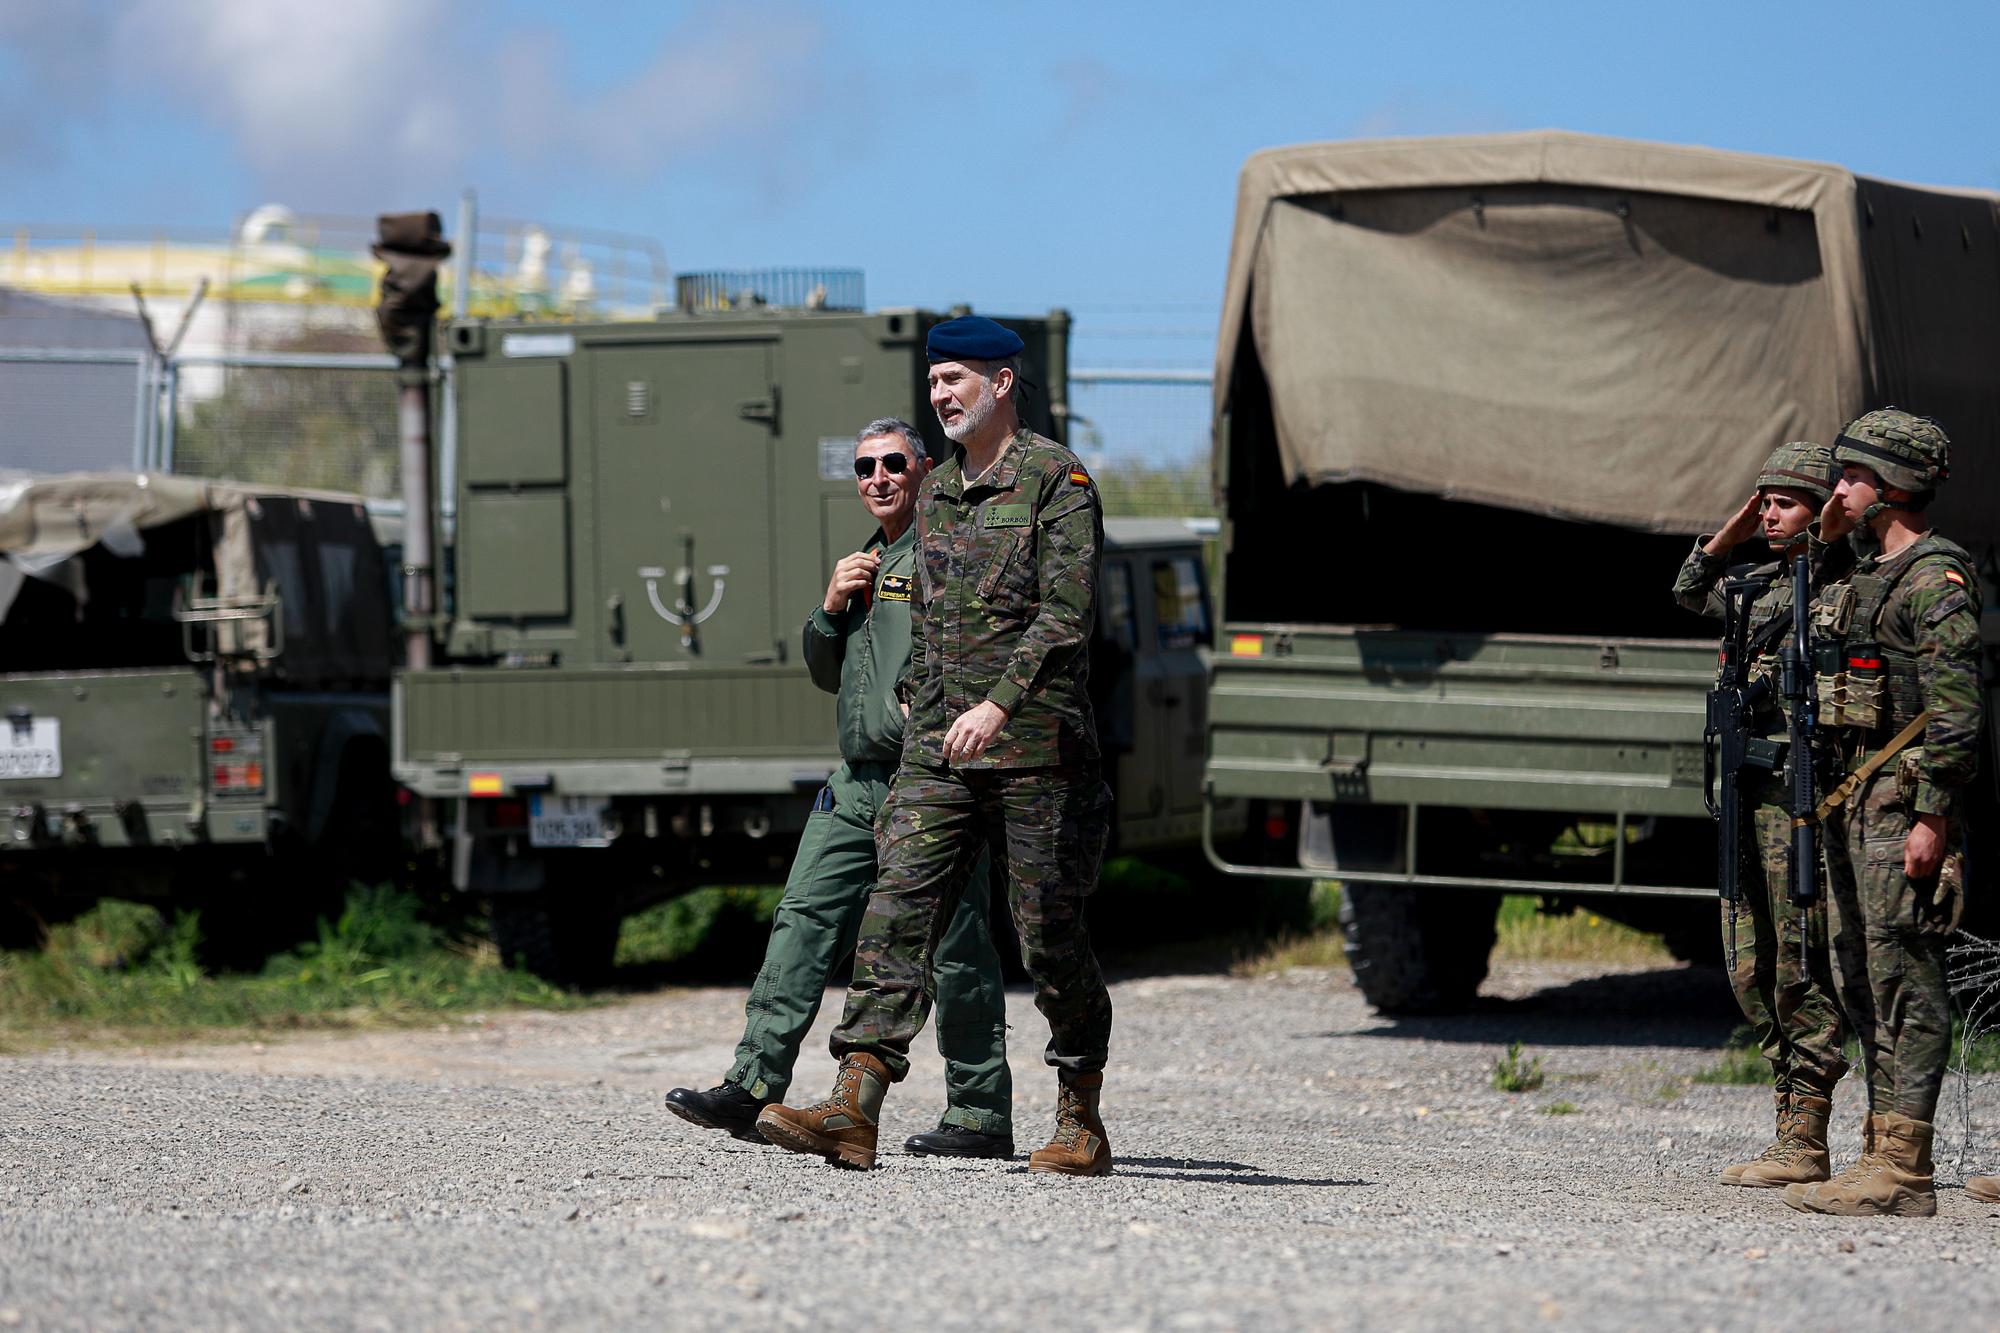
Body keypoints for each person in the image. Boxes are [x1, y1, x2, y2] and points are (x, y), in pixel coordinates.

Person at [755, 315, 1116, 1175]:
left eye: (955, 378)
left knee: (1048, 938)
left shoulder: (1055, 481)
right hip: (940, 753)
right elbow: (928, 615)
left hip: (1038, 754)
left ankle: (1080, 1114)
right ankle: (855, 1101)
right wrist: (923, 695)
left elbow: (1066, 618)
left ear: (1002, 383)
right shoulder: (939, 492)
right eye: (934, 381)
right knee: (897, 910)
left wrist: (997, 703)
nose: (941, 395)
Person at [662, 417, 1017, 1160]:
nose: (878, 478)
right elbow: (832, 675)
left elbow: (993, 645)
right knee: (803, 917)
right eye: (864, 468)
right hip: (856, 782)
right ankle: (753, 1083)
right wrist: (828, 608)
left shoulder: (951, 547)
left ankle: (981, 1112)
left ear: (924, 468)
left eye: (893, 462)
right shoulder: (870, 560)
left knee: (955, 946)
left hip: (934, 779)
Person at [1781, 409, 1983, 1218]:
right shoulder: (1869, 571)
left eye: (1852, 476)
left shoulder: (1938, 579)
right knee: (1861, 972)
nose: (1837, 488)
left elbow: (1957, 711)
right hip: (1855, 799)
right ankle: (1880, 1145)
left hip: (1903, 803)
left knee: (1907, 973)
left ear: (1893, 486)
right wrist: (1825, 536)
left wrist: (1935, 816)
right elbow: (1803, 603)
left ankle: (1907, 1165)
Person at [1672, 441, 1849, 1190]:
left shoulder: (1843, 586)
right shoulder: (1756, 586)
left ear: (1824, 512)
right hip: (1746, 790)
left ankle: (1808, 1132)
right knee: (1748, 961)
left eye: (1785, 502)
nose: (1770, 513)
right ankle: (1787, 1120)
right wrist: (1730, 532)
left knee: (1800, 961)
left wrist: (1833, 535)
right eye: (1765, 501)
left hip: (1798, 798)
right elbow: (1688, 588)